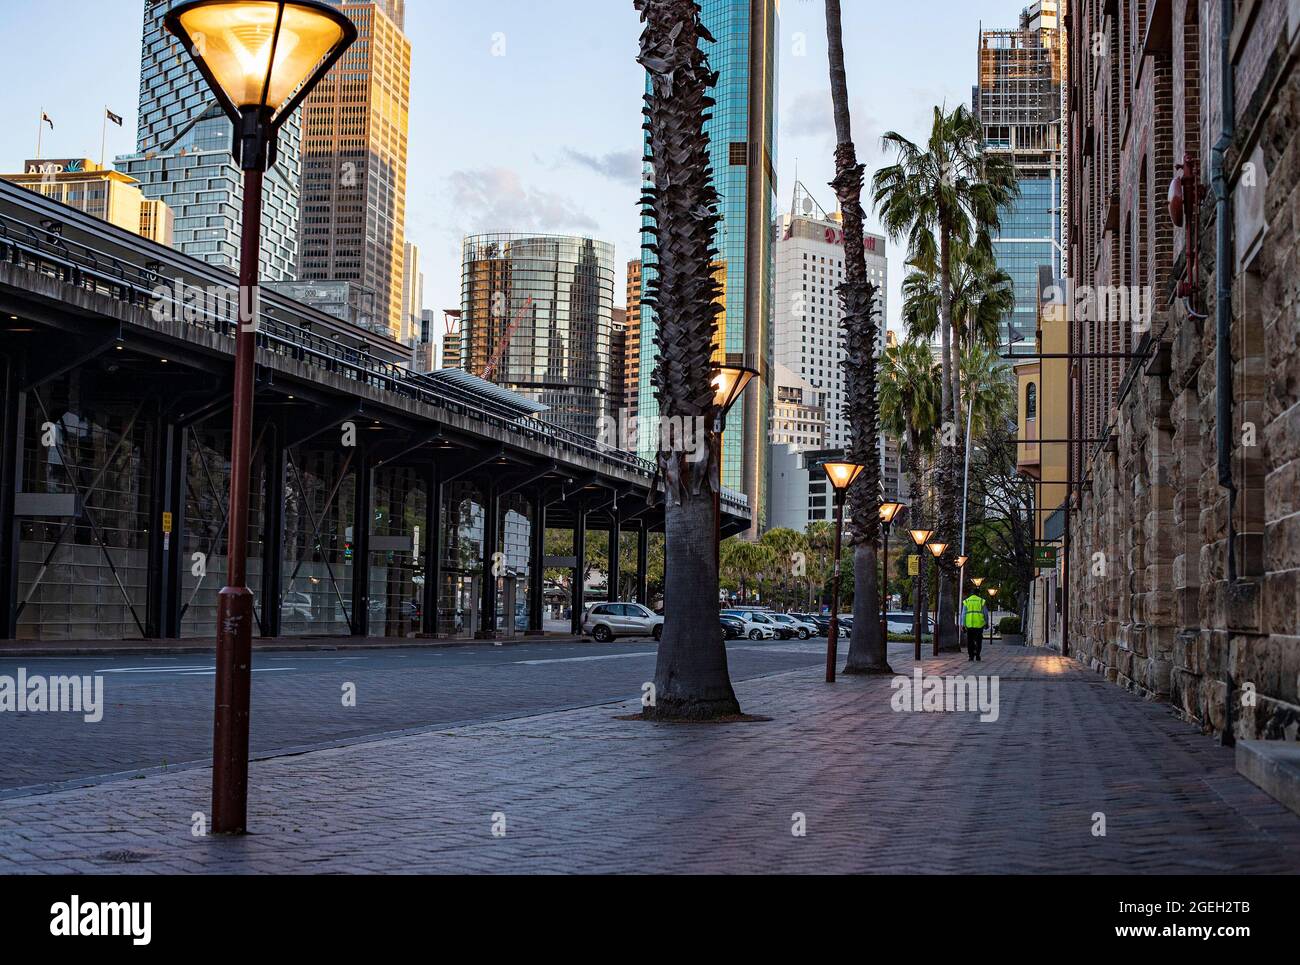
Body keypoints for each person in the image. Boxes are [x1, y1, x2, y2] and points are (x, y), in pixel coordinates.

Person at [962, 589, 989, 661]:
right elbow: (985, 613)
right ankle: (977, 655)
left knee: (970, 641)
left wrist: (963, 625)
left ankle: (971, 656)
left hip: (969, 624)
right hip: (979, 625)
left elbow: (963, 614)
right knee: (979, 641)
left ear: (971, 594)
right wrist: (986, 623)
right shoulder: (981, 601)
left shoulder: (967, 601)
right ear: (978, 594)